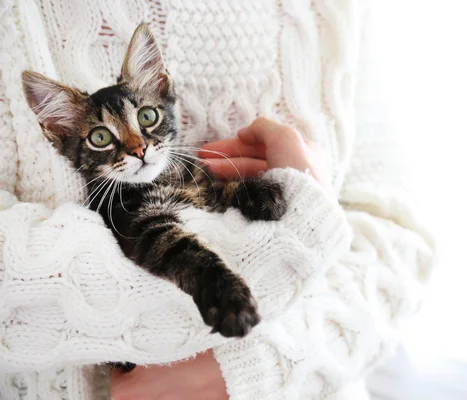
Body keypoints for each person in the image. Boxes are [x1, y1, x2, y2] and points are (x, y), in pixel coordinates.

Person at [0, 1, 434, 399]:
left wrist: (251, 369)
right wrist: (306, 225)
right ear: (59, 132)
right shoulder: (118, 203)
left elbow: (403, 246)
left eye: (147, 118)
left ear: (162, 89)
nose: (137, 148)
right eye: (102, 138)